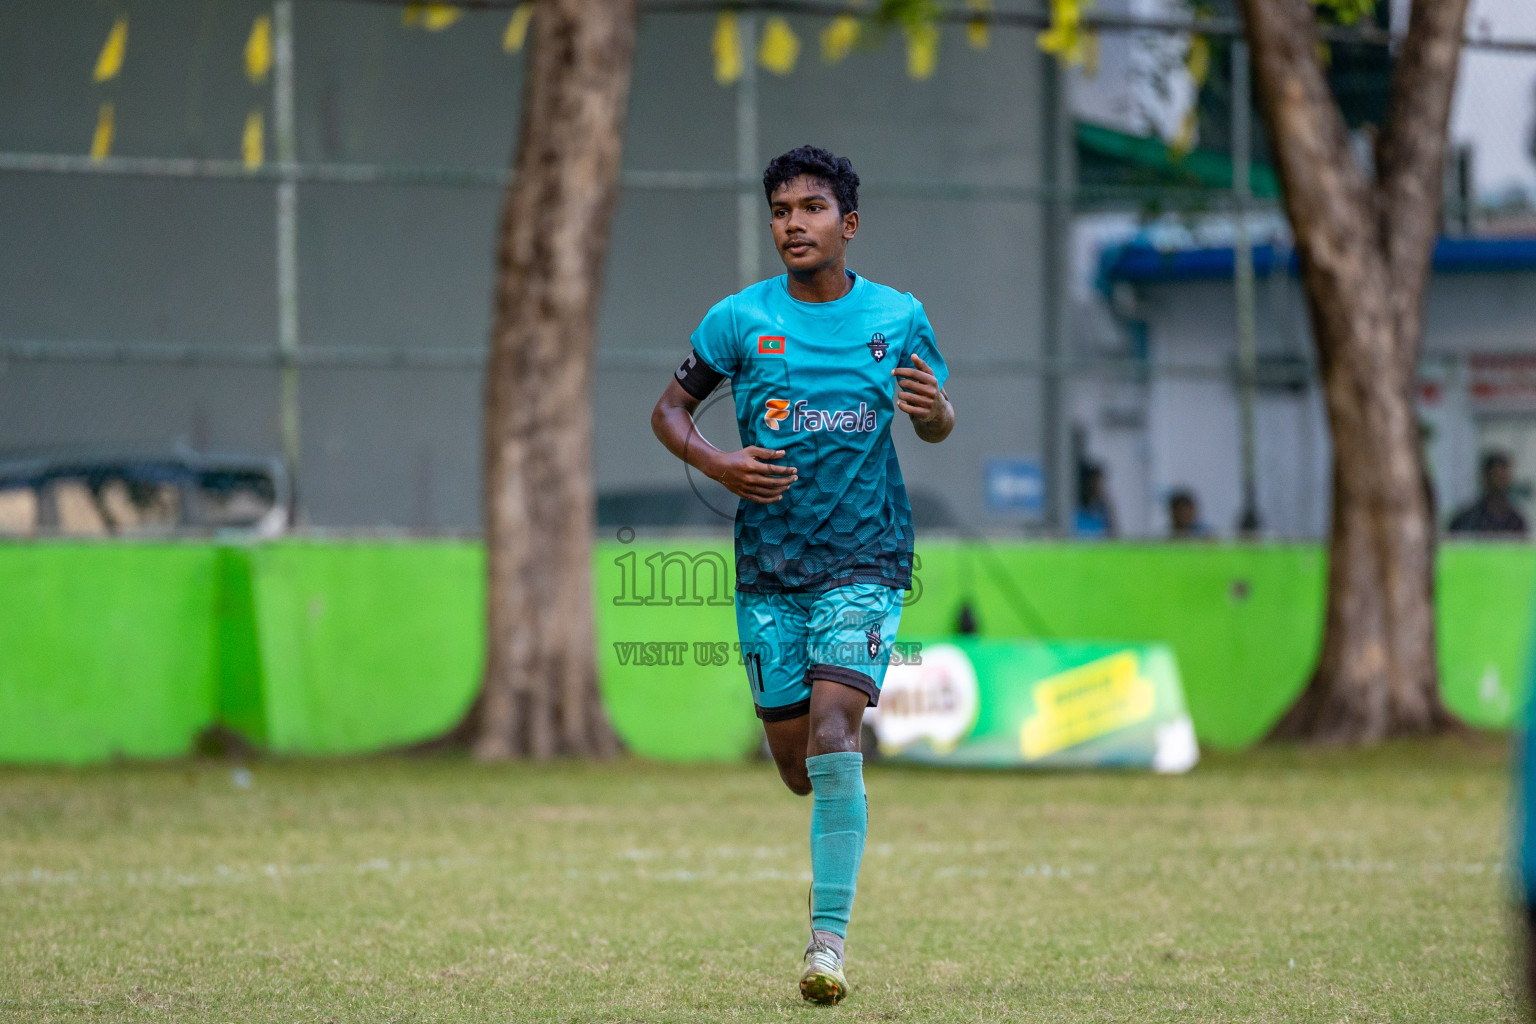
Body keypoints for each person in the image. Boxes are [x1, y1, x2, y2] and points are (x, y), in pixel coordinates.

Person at [650, 145, 954, 1005]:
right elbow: (668, 410)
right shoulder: (739, 321)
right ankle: (836, 820)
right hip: (769, 564)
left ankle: (828, 944)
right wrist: (719, 463)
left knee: (832, 732)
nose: (794, 223)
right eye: (781, 210)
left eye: (812, 209)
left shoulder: (897, 317)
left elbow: (936, 420)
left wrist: (936, 413)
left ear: (847, 224)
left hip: (867, 556)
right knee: (795, 763)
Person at [1448, 451, 1527, 537]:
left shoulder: (1516, 522)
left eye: (1505, 478)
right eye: (1498, 477)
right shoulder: (1466, 520)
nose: (1502, 484)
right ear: (1486, 478)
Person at [1073, 462, 1116, 538]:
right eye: (1095, 483)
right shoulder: (1076, 509)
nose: (1099, 487)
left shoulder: (1104, 509)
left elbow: (1113, 536)